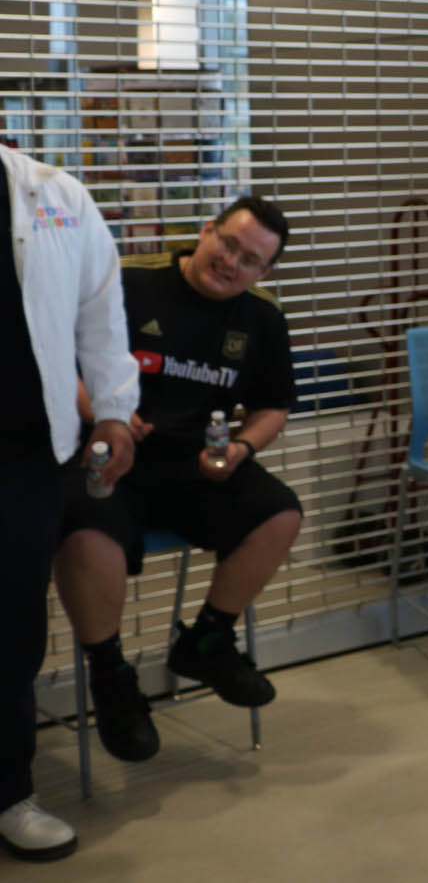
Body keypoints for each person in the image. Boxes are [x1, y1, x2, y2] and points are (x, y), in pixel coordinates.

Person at [55, 196, 301, 767]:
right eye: (228, 244)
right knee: (86, 532)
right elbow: (55, 358)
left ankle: (208, 641)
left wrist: (240, 448)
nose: (231, 262)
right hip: (107, 449)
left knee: (279, 513)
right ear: (206, 231)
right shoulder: (128, 280)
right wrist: (104, 414)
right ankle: (111, 677)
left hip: (194, 465)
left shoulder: (262, 316)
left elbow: (273, 408)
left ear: (265, 273)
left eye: (250, 260)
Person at [0, 146, 138, 864]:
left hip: (23, 453)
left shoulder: (54, 194)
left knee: (13, 632)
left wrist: (114, 411)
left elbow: (100, 309)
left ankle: (10, 792)